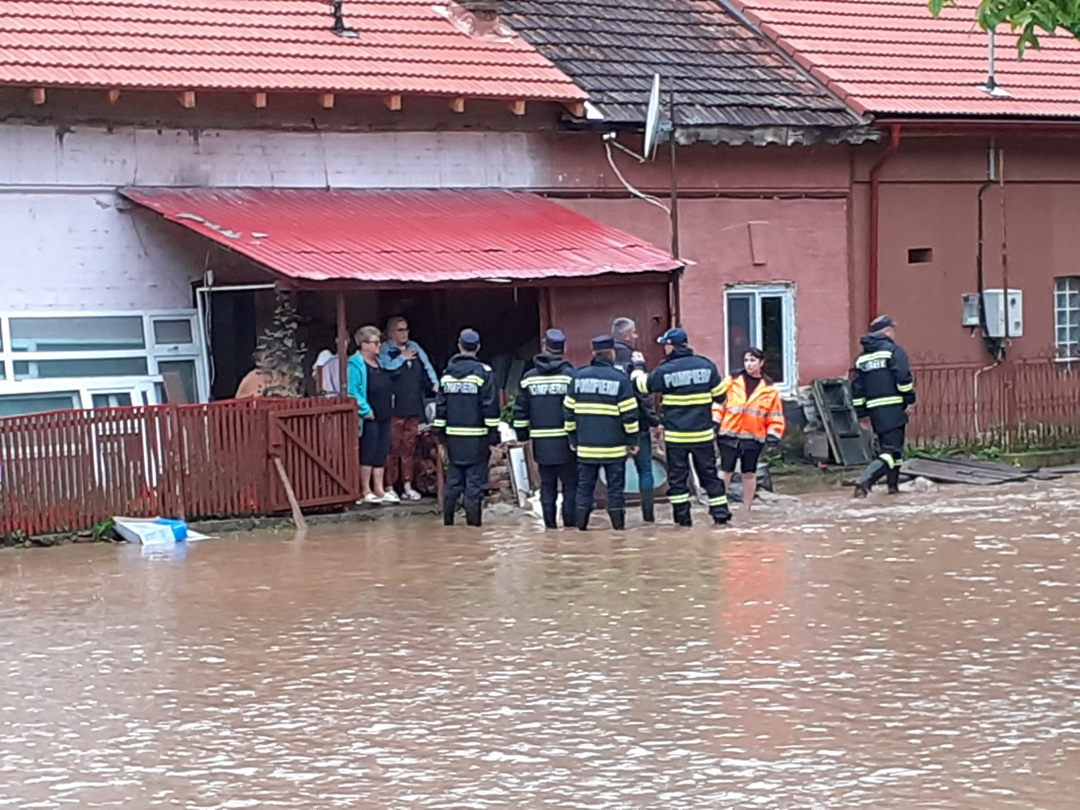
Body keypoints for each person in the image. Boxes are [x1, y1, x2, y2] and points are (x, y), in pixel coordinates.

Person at [632, 327, 731, 527]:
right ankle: (721, 516)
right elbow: (721, 397)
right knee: (710, 476)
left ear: (671, 346)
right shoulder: (706, 365)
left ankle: (683, 520)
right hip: (703, 435)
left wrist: (638, 366)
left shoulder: (665, 370)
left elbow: (640, 385)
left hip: (677, 437)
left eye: (665, 345)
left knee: (678, 480)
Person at [565, 335, 640, 531]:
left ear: (594, 353)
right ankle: (618, 530)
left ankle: (581, 530)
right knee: (615, 490)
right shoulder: (621, 379)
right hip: (614, 449)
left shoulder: (578, 377)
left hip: (586, 448)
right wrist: (633, 440)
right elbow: (629, 415)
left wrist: (572, 438)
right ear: (612, 353)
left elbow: (568, 412)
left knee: (584, 488)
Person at [434, 328, 500, 527]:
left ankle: (448, 525)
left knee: (453, 481)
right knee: (474, 484)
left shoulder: (447, 375)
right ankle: (473, 529)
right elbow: (490, 408)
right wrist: (494, 437)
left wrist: (441, 438)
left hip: (453, 440)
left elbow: (440, 409)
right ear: (477, 347)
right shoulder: (483, 373)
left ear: (459, 346)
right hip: (477, 439)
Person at [513, 329, 577, 530]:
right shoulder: (571, 376)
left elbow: (520, 410)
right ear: (563, 349)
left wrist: (522, 436)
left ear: (544, 347)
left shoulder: (529, 378)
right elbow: (577, 410)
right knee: (570, 486)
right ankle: (570, 529)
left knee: (547, 486)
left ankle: (550, 528)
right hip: (567, 443)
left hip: (541, 444)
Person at [713, 347, 786, 513]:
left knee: (749, 473)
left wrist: (773, 435)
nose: (749, 364)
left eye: (753, 360)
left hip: (753, 437)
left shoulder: (770, 389)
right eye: (746, 360)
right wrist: (715, 422)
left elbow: (775, 414)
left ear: (761, 363)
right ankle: (719, 506)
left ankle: (747, 509)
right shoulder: (731, 381)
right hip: (728, 434)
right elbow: (719, 403)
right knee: (725, 470)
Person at [851, 315, 916, 497]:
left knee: (893, 452)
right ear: (887, 331)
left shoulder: (862, 358)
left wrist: (862, 413)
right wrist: (909, 400)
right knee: (891, 451)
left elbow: (857, 388)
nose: (894, 333)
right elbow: (903, 378)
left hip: (875, 411)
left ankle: (893, 487)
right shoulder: (894, 351)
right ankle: (865, 481)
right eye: (892, 329)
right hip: (894, 407)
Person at [379, 316, 439, 501]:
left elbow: (427, 366)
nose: (404, 333)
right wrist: (401, 359)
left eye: (406, 329)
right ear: (390, 333)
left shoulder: (415, 347)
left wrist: (435, 383)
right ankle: (389, 485)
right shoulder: (385, 349)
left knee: (409, 449)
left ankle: (407, 485)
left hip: (413, 407)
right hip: (393, 408)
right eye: (400, 330)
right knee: (392, 449)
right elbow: (385, 368)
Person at [612, 317, 661, 523]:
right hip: (638, 423)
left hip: (613, 425)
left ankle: (617, 519)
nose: (636, 336)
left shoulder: (606, 357)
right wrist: (654, 421)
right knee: (645, 470)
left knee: (615, 473)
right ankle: (648, 518)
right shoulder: (635, 359)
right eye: (633, 333)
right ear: (625, 336)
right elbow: (643, 394)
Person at [348, 326, 400, 504]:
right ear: (364, 344)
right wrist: (365, 410)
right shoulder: (355, 364)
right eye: (375, 342)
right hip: (369, 416)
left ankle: (379, 489)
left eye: (379, 342)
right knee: (368, 452)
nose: (379, 346)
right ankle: (365, 489)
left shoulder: (381, 362)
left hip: (385, 414)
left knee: (381, 452)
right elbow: (352, 391)